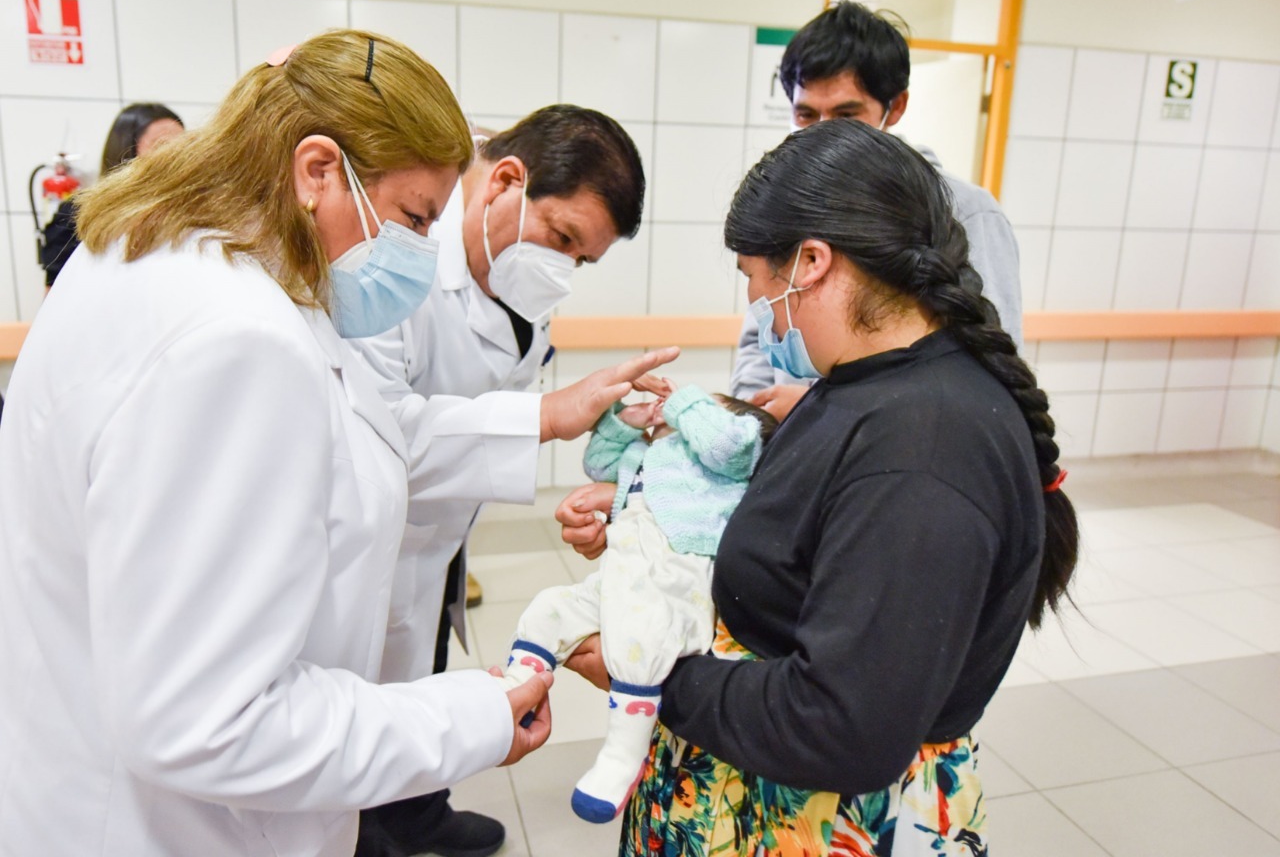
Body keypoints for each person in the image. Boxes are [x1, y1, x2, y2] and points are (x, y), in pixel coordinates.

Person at [0, 28, 676, 857]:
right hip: (166, 825)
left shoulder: (149, 254)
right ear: (317, 170)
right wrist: (466, 718)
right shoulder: (235, 339)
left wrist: (554, 416)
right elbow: (209, 721)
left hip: (82, 764)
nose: (420, 252)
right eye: (413, 217)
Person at [559, 120, 1078, 855]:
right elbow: (812, 526)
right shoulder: (862, 383)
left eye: (756, 286)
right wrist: (653, 504)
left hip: (816, 819)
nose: (759, 314)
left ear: (811, 262)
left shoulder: (924, 452)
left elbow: (843, 726)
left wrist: (647, 676)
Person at [348, 104, 647, 857]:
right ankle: (371, 832)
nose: (564, 269)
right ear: (508, 179)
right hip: (370, 536)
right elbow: (381, 431)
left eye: (583, 259)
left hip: (438, 531)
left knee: (426, 660)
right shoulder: (394, 261)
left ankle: (419, 814)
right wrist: (545, 417)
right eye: (564, 239)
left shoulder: (517, 281)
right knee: (365, 700)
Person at [731, 0, 1023, 420]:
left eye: (847, 115)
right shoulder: (789, 205)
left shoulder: (967, 212)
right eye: (806, 114)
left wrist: (817, 410)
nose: (824, 133)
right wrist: (751, 420)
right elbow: (763, 332)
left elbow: (992, 366)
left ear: (896, 107)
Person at [500, 384, 776, 823]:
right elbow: (599, 463)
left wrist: (687, 401)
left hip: (673, 579)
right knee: (549, 608)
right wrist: (626, 421)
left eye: (707, 406)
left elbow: (732, 445)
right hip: (622, 570)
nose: (681, 412)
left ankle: (621, 757)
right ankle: (515, 690)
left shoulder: (723, 465)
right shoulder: (653, 452)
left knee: (638, 643)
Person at [38, 102, 184, 287]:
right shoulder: (80, 212)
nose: (175, 155)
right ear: (126, 151)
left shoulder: (187, 212)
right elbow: (55, 293)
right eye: (162, 145)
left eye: (183, 145)